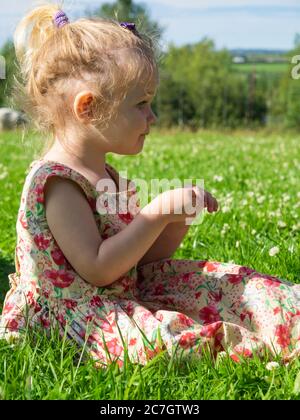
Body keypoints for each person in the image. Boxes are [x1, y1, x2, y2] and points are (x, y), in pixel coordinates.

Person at [1, 2, 299, 369]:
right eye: (141, 104)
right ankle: (259, 346)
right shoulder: (58, 184)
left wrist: (175, 221)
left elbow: (139, 260)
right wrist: (154, 215)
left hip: (122, 291)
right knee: (169, 340)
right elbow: (98, 268)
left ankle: (285, 315)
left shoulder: (104, 173)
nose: (152, 117)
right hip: (79, 315)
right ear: (88, 108)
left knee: (226, 284)